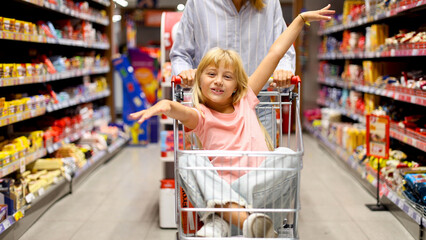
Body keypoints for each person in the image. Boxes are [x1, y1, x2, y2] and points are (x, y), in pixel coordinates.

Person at [130, 5, 334, 238]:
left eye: (227, 76)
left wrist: (299, 20)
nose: (218, 82)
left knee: (287, 155)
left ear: (238, 85)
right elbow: (181, 112)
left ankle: (223, 219)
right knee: (189, 159)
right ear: (198, 80)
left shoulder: (246, 100)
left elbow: (275, 53)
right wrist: (166, 105)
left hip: (251, 195)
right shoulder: (202, 116)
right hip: (247, 210)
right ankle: (241, 219)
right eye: (211, 74)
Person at [170, 0, 297, 136]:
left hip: (258, 103)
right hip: (211, 105)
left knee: (263, 156)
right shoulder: (198, 3)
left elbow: (284, 50)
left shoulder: (270, 3)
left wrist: (284, 70)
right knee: (212, 157)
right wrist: (184, 72)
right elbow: (181, 54)